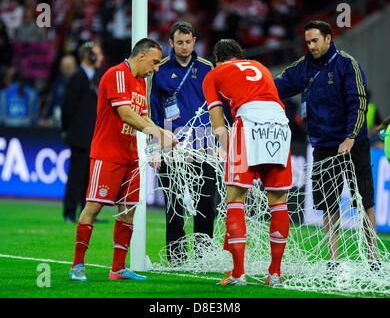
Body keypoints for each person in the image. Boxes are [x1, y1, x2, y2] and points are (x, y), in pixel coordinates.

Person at [69, 38, 178, 282]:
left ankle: (118, 269)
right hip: (108, 154)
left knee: (128, 211)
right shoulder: (116, 74)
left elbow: (144, 117)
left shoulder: (142, 82)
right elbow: (126, 114)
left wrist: (154, 146)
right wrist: (159, 134)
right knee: (93, 207)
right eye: (155, 61)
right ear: (141, 56)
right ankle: (77, 265)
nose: (156, 68)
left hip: (131, 156)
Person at [274, 20, 379, 271]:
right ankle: (333, 259)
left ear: (329, 39)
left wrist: (350, 137)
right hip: (322, 145)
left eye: (315, 41)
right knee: (328, 203)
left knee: (364, 201)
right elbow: (276, 86)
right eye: (308, 42)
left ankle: (373, 257)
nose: (311, 46)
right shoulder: (303, 67)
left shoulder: (347, 64)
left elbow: (358, 103)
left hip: (354, 144)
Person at [203, 39, 292, 286]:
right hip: (280, 125)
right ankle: (275, 273)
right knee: (277, 201)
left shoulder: (214, 74)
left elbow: (218, 124)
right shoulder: (260, 66)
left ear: (217, 58)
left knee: (235, 198)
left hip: (249, 122)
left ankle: (239, 273)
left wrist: (229, 152)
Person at [148, 21, 217, 266]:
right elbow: (153, 111)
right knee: (174, 205)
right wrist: (153, 148)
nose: (185, 47)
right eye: (180, 42)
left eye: (188, 42)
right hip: (172, 144)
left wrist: (221, 142)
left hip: (204, 145)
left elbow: (218, 108)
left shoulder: (208, 68)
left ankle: (203, 256)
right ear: (171, 44)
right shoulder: (160, 70)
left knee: (207, 204)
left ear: (195, 41)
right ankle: (177, 259)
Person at [61, 42, 103, 224]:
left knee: (90, 178)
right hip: (80, 137)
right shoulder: (77, 78)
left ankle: (87, 213)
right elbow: (67, 108)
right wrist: (67, 130)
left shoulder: (98, 77)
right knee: (76, 176)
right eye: (97, 53)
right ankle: (69, 212)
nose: (100, 57)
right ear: (89, 56)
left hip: (95, 137)